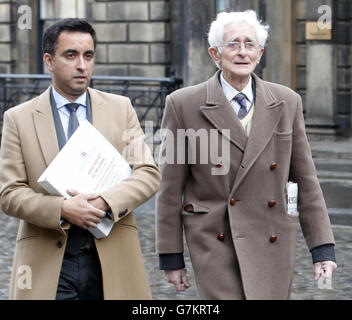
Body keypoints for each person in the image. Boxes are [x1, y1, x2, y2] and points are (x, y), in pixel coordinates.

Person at [155, 10, 337, 299]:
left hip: (273, 240)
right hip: (215, 241)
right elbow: (169, 189)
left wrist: (322, 248)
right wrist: (171, 256)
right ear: (215, 53)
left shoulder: (287, 102)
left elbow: (306, 180)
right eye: (233, 44)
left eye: (250, 44)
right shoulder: (183, 105)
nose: (242, 52)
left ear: (260, 53)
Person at [0, 18, 161, 300]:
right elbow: (9, 193)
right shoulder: (18, 118)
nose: (82, 65)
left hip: (112, 258)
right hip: (48, 263)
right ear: (49, 61)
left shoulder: (120, 108)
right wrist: (61, 208)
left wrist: (105, 203)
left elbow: (147, 173)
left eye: (88, 56)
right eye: (71, 55)